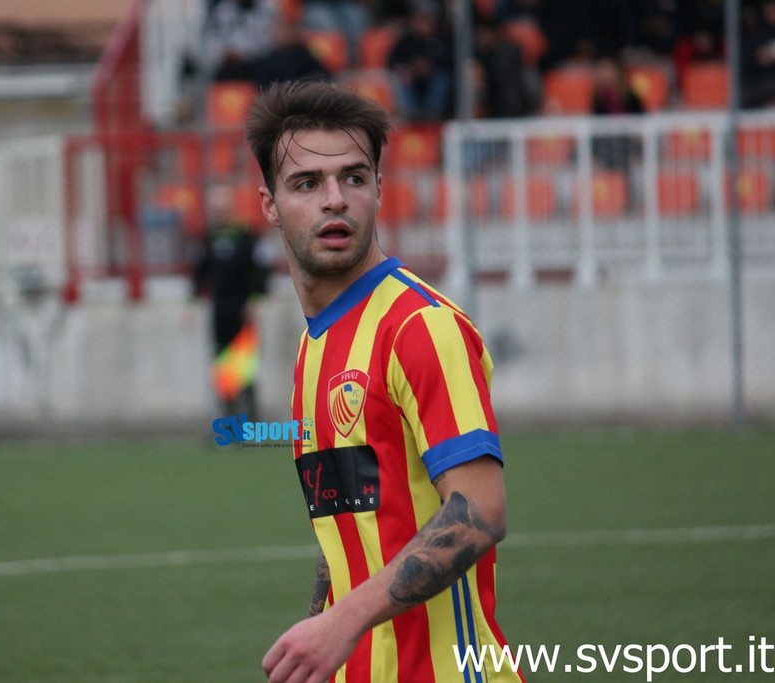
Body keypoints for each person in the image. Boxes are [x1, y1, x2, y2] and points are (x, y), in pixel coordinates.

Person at [246, 80, 521, 682]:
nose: (334, 200)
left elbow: (480, 510)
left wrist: (340, 624)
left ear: (378, 190)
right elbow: (350, 521)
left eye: (353, 177)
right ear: (270, 204)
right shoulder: (313, 348)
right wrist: (317, 634)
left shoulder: (420, 327)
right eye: (306, 183)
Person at [191, 184, 272, 418]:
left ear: (230, 206)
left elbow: (262, 268)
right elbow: (200, 271)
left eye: (223, 206)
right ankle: (228, 421)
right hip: (220, 309)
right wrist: (191, 300)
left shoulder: (247, 235)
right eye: (215, 207)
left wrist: (256, 298)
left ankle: (251, 418)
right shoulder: (209, 237)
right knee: (222, 364)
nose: (219, 211)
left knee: (245, 365)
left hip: (243, 308)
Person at [386, 0, 454, 122]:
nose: (423, 24)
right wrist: (406, 69)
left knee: (442, 78)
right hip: (412, 83)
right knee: (399, 78)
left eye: (427, 19)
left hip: (434, 82)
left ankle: (432, 112)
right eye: (420, 19)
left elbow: (450, 62)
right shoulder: (406, 40)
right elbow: (392, 61)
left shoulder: (443, 39)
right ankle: (409, 113)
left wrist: (431, 67)